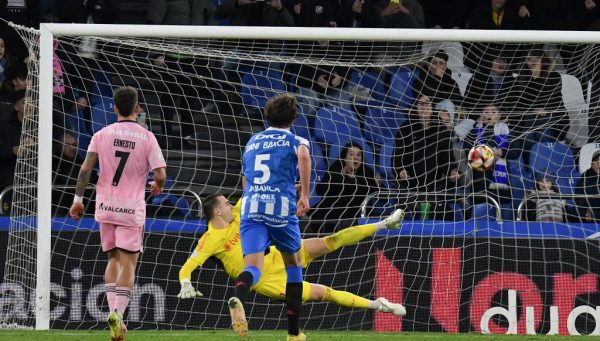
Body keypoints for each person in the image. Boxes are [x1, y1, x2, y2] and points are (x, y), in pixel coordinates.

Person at [177, 194, 406, 315]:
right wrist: (186, 283)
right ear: (217, 211)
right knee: (324, 293)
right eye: (226, 203)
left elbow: (253, 193)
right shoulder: (209, 239)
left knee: (329, 241)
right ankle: (379, 305)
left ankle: (385, 223)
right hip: (267, 280)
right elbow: (186, 268)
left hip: (277, 254)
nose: (231, 204)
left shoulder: (236, 213)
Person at [69, 86, 167, 341]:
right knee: (128, 263)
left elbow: (85, 169)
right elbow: (161, 174)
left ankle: (113, 313)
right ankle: (117, 312)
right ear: (138, 108)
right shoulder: (147, 137)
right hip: (131, 209)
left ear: (114, 108)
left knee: (112, 259)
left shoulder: (102, 134)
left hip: (105, 206)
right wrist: (157, 186)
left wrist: (78, 200)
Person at [229, 93, 310, 341]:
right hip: (280, 210)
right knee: (294, 265)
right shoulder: (296, 140)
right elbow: (304, 157)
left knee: (253, 267)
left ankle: (238, 299)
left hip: (251, 208)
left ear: (267, 115)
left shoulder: (253, 141)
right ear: (293, 118)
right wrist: (304, 194)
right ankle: (293, 334)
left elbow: (246, 178)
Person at [311, 142, 379, 233]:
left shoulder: (367, 172)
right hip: (334, 212)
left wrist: (379, 184)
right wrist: (342, 178)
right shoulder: (335, 169)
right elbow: (320, 190)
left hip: (358, 212)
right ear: (344, 158)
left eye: (359, 155)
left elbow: (380, 196)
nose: (355, 157)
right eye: (351, 154)